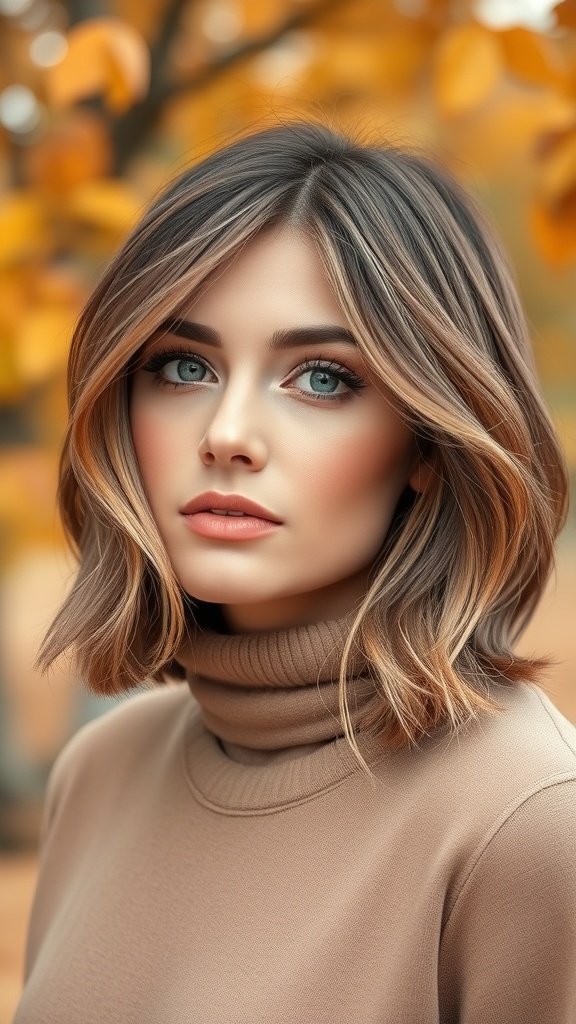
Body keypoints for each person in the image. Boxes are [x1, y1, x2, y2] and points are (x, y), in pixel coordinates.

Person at [14, 119, 576, 1024]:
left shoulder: (528, 821)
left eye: (321, 379)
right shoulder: (103, 770)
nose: (227, 434)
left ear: (429, 440)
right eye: (184, 365)